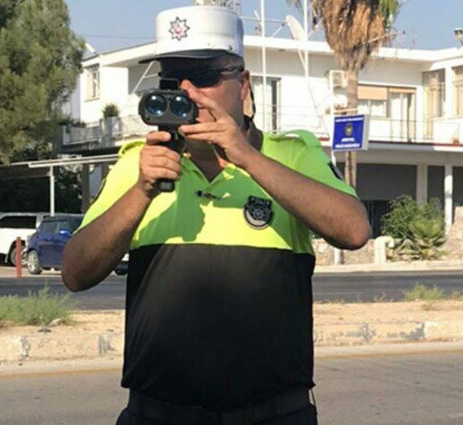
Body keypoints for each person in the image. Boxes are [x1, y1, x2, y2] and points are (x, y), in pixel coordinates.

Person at [61, 4, 370, 425]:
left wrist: (246, 157)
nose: (187, 90)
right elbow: (75, 273)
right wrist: (142, 191)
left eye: (204, 75)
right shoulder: (139, 161)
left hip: (273, 415)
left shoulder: (291, 155)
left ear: (242, 85)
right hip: (158, 415)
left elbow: (354, 230)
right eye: (173, 78)